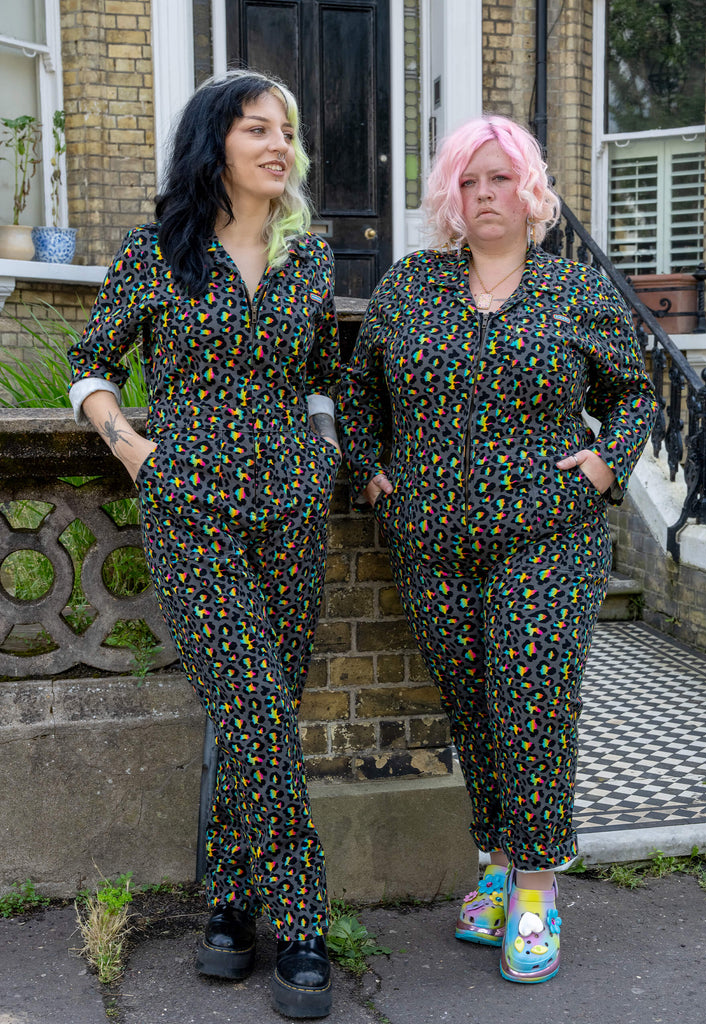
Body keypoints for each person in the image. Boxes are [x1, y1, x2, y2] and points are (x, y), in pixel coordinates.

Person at [336, 115, 657, 984]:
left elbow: (632, 394)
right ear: (452, 194)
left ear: (530, 191)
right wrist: (370, 471)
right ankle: (495, 863)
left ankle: (537, 888)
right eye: (469, 180)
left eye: (500, 178)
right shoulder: (411, 286)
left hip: (547, 537)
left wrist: (605, 465)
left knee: (532, 701)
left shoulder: (572, 290)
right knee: (473, 709)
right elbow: (358, 390)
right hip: (432, 542)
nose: (483, 194)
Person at [68, 70, 341, 1019]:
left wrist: (323, 454)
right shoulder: (157, 251)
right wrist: (134, 451)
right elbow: (90, 365)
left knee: (262, 707)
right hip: (191, 507)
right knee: (254, 704)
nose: (279, 146)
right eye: (257, 129)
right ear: (213, 142)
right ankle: (301, 921)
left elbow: (320, 373)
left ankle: (229, 903)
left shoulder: (309, 255)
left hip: (291, 508)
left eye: (286, 132)